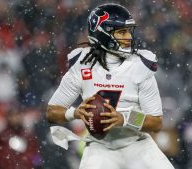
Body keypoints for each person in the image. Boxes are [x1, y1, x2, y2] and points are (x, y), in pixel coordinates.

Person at [47, 3, 175, 169]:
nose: (128, 37)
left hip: (137, 144)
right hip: (100, 148)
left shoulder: (139, 66)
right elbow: (52, 112)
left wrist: (124, 118)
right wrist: (76, 113)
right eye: (122, 32)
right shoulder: (82, 64)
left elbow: (156, 122)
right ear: (103, 34)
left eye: (129, 31)